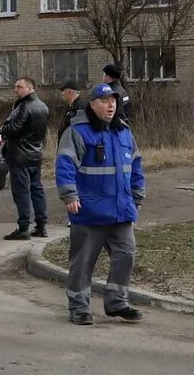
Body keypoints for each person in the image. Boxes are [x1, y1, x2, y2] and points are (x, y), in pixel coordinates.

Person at [55, 82, 146, 325]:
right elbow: (65, 165)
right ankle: (79, 307)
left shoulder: (123, 131)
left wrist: (137, 195)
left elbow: (136, 166)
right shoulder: (78, 131)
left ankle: (117, 302)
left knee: (126, 255)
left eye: (113, 101)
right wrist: (69, 195)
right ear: (92, 104)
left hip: (121, 209)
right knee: (83, 262)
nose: (111, 105)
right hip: (89, 210)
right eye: (105, 101)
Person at [0, 76, 50, 241]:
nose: (15, 89)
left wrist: (3, 127)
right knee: (36, 190)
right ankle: (41, 226)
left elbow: (12, 129)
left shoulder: (24, 107)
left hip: (20, 155)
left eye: (19, 87)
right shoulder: (43, 107)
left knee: (22, 193)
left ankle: (23, 228)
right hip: (35, 154)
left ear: (30, 88)